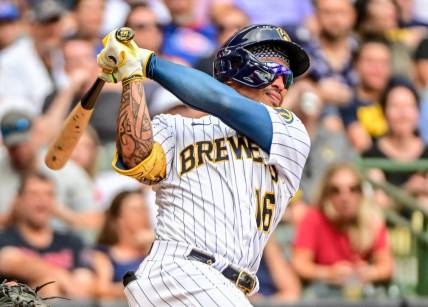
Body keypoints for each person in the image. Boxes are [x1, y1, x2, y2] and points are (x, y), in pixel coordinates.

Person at [96, 24, 311, 306]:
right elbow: (136, 156)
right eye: (275, 71)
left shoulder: (289, 131)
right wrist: (132, 77)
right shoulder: (174, 126)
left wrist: (148, 62)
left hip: (228, 285)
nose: (282, 84)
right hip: (178, 271)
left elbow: (222, 101)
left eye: (288, 77)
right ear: (241, 66)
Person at [292, 162, 394, 298]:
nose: (345, 197)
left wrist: (368, 272)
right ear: (326, 194)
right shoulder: (314, 218)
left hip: (362, 293)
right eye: (336, 190)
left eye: (353, 189)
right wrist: (329, 273)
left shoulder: (371, 219)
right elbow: (300, 265)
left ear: (361, 193)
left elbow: (387, 266)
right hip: (323, 294)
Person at [0, 171, 95, 298]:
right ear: (19, 199)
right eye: (34, 194)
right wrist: (60, 278)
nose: (42, 200)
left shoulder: (72, 242)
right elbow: (10, 260)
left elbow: (85, 283)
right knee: (49, 287)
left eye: (49, 194)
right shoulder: (5, 239)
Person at [362, 78, 428, 209]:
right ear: (384, 112)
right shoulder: (371, 156)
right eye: (395, 106)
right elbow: (376, 208)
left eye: (409, 106)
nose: (402, 114)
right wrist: (408, 190)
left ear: (417, 112)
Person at [93, 190, 154, 299]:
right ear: (119, 218)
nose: (143, 214)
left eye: (145, 209)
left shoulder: (155, 248)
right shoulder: (104, 253)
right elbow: (102, 289)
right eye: (135, 210)